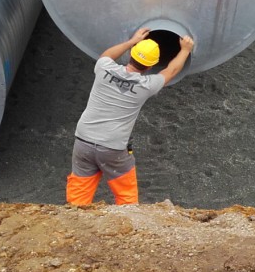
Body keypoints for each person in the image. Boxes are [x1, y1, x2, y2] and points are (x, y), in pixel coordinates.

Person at [67, 27, 195, 205]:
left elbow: (106, 55)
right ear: (150, 65)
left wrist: (131, 41)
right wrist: (185, 50)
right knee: (126, 195)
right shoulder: (146, 86)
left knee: (78, 193)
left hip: (83, 140)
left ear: (130, 55)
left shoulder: (104, 68)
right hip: (113, 147)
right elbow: (171, 71)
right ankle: (125, 227)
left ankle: (74, 223)